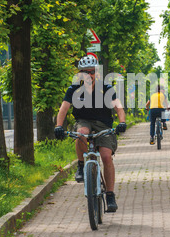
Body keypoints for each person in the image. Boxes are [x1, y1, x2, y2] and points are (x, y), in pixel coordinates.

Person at [54, 55, 126, 212]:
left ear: (97, 73)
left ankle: (110, 195)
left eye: (92, 72)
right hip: (84, 121)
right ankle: (81, 165)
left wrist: (122, 122)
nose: (89, 75)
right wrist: (59, 126)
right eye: (85, 72)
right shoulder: (74, 89)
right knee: (81, 133)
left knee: (106, 156)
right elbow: (64, 108)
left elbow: (118, 108)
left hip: (103, 125)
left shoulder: (106, 88)